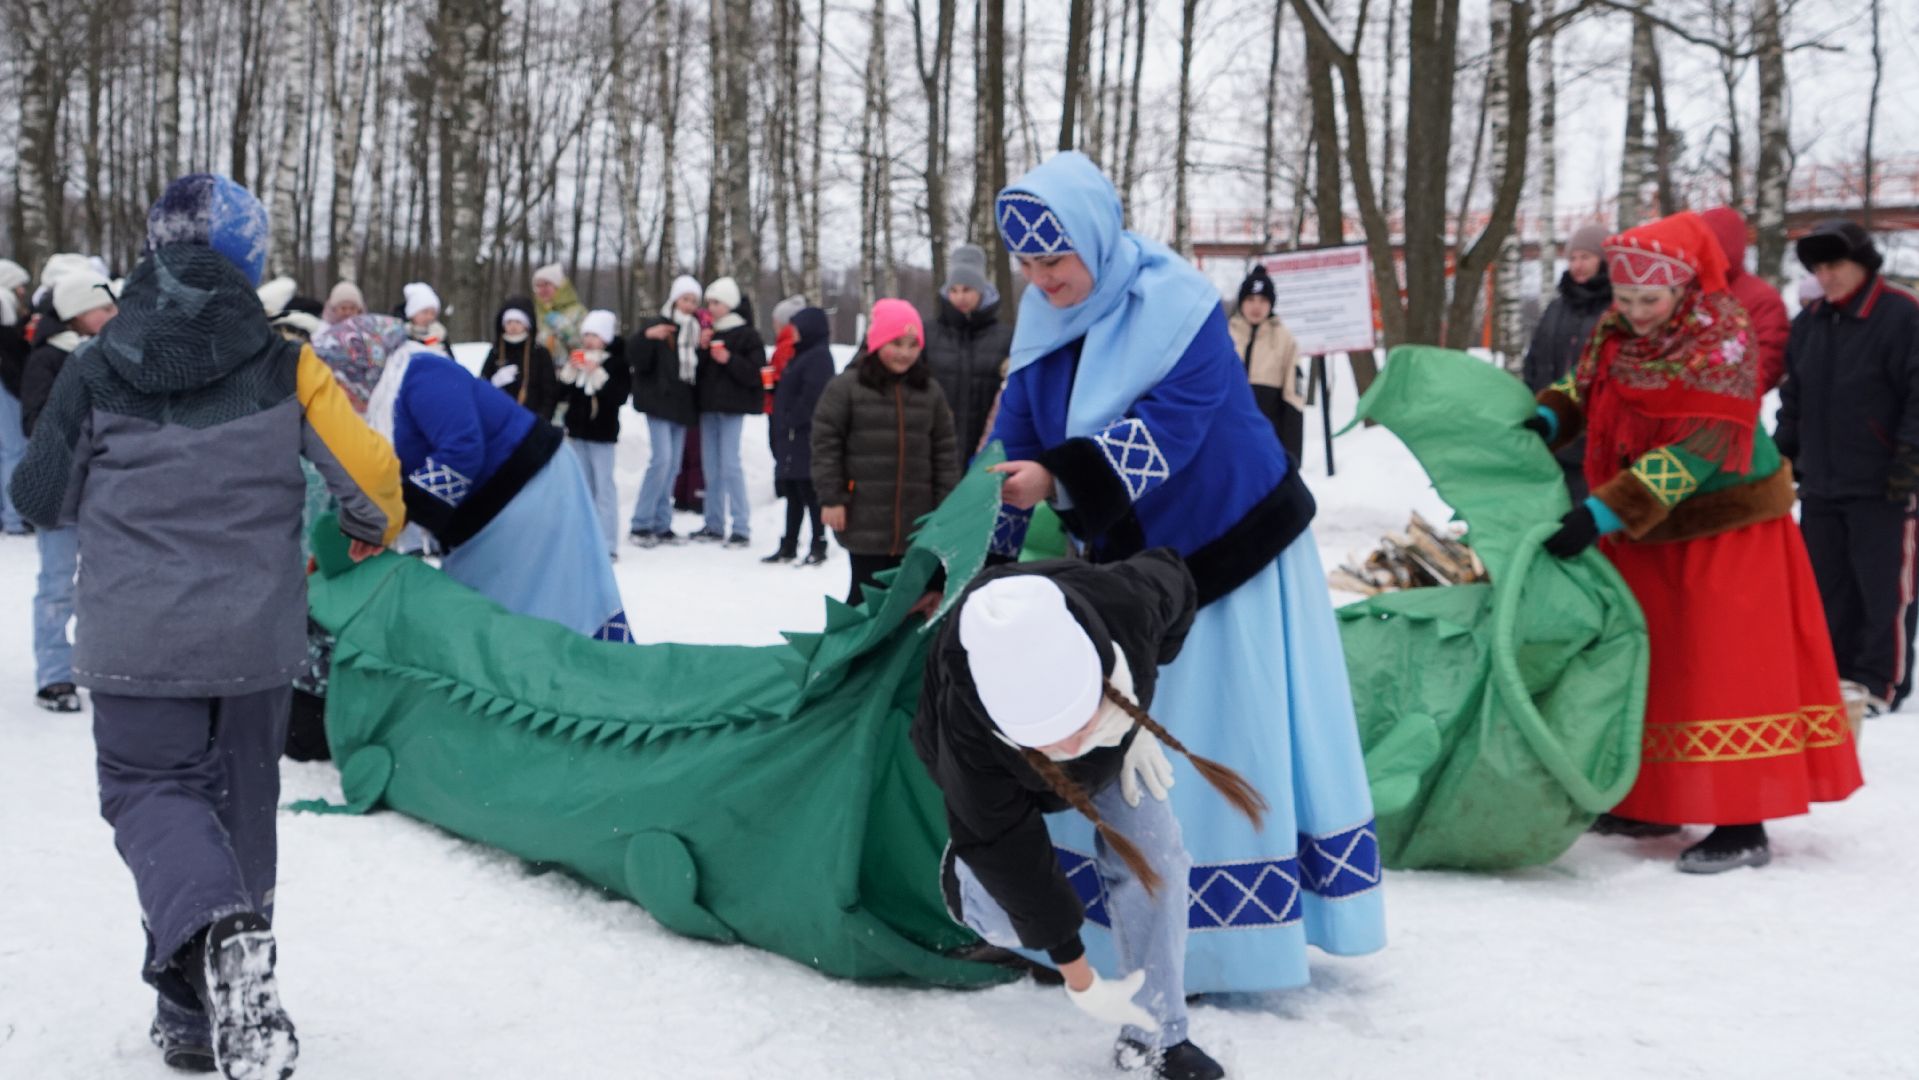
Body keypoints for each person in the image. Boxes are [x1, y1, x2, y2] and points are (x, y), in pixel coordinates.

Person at [10, 173, 407, 1078]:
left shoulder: (96, 365)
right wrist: (358, 531)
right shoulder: (286, 363)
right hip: (254, 642)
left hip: (136, 637)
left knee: (153, 798)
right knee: (238, 814)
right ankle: (202, 1015)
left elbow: (37, 496)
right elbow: (373, 483)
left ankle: (216, 949)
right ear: (250, 259)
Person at [982, 152, 1384, 993]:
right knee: (1123, 744)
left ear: (1094, 239)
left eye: (1054, 259)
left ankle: (1226, 944)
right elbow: (1015, 433)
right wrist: (990, 552)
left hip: (1232, 546)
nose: (1041, 278)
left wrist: (1058, 479)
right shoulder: (1041, 318)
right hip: (1133, 562)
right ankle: (1112, 925)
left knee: (1213, 736)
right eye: (1026, 262)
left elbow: (1175, 423)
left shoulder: (1177, 304)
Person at [1530, 211, 1863, 872]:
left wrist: (1600, 513)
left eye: (1648, 300)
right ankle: (1652, 797)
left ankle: (1742, 821)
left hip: (1723, 531)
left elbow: (1701, 448)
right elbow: (1588, 382)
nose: (1635, 313)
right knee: (1655, 664)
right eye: (1623, 300)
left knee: (1721, 668)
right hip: (1647, 531)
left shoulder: (1723, 340)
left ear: (1681, 289)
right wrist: (1549, 414)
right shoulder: (1616, 328)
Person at [915, 551, 1250, 1080]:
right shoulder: (967, 732)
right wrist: (1083, 980)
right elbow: (1010, 849)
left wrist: (1131, 718)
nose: (1070, 745)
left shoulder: (1129, 604)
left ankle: (1157, 1034)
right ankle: (967, 876)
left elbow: (1178, 580)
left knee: (1156, 855)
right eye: (1050, 738)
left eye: (1077, 722)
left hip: (1118, 737)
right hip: (996, 776)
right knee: (1006, 906)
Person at [312, 314, 634, 643]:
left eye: (336, 381)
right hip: (485, 515)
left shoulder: (420, 371)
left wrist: (401, 510)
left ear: (356, 365)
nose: (338, 394)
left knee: (548, 608)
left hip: (533, 491)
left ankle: (587, 674)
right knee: (487, 619)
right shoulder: (380, 403)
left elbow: (461, 447)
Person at [1775, 219, 1919, 716]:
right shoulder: (1811, 322)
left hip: (1885, 481)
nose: (1826, 275)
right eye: (1818, 266)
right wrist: (1784, 454)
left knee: (1883, 591)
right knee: (1826, 586)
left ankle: (1880, 681)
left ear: (1862, 264)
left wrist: (1909, 459)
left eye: (1835, 264)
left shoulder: (1902, 315)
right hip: (1822, 480)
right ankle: (1834, 678)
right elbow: (1794, 398)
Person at [19, 267, 120, 714]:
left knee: (107, 583)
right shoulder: (47, 359)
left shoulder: (119, 353)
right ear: (79, 313)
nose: (115, 314)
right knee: (58, 582)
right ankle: (55, 674)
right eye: (105, 308)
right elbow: (34, 420)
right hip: (59, 489)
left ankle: (106, 663)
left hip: (105, 490)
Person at [813, 299, 959, 604]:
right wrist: (832, 498)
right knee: (866, 599)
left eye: (912, 344)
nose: (905, 352)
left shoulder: (929, 391)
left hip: (916, 521)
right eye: (896, 343)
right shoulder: (847, 388)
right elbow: (826, 444)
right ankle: (852, 651)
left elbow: (945, 452)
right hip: (864, 517)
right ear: (877, 341)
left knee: (916, 599)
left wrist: (945, 508)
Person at [1521, 223, 1612, 502]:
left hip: (1594, 441)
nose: (1577, 265)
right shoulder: (1556, 308)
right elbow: (1534, 361)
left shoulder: (1616, 309)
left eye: (1586, 257)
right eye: (1572, 258)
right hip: (1551, 433)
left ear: (1604, 260)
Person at [628, 276, 703, 547]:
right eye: (685, 299)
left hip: (681, 406)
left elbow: (695, 370)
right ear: (675, 299)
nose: (689, 305)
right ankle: (641, 523)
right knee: (661, 460)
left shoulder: (695, 330)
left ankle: (661, 523)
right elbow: (635, 357)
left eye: (694, 301)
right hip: (658, 402)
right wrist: (647, 337)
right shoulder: (657, 325)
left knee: (672, 466)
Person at [924, 243, 1015, 464]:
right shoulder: (928, 333)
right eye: (953, 290)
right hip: (933, 452)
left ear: (981, 290)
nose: (960, 297)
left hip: (985, 451)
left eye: (967, 290)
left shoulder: (1006, 338)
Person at [692, 276, 763, 545]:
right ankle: (713, 522)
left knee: (730, 465)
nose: (710, 307)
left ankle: (741, 525)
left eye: (716, 302)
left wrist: (729, 359)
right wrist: (701, 349)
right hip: (708, 408)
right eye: (709, 302)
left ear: (729, 304)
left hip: (732, 409)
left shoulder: (747, 334)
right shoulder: (709, 332)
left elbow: (755, 374)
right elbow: (697, 374)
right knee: (711, 467)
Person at [763, 306, 833, 565]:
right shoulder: (801, 355)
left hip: (805, 436)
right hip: (791, 437)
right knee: (793, 491)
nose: (793, 334)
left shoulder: (819, 357)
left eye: (797, 329)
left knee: (809, 492)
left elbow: (814, 395)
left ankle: (819, 543)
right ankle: (789, 544)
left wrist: (792, 418)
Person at [560, 309, 631, 557]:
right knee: (583, 488)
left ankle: (608, 543)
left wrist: (597, 373)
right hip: (578, 433)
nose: (589, 340)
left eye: (595, 335)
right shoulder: (579, 360)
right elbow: (564, 394)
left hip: (602, 434)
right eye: (586, 334)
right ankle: (583, 539)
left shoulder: (616, 363)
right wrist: (570, 372)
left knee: (604, 488)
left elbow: (619, 396)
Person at [1701, 206, 1791, 395]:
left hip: (1731, 409)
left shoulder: (1761, 298)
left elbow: (1768, 361)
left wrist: (1717, 395)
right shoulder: (1689, 289)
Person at [1226, 265, 1306, 465]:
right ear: (1241, 302)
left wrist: (1292, 454)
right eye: (1250, 300)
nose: (1256, 307)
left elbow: (1293, 396)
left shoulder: (1284, 339)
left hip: (1268, 437)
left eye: (1263, 300)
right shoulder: (1225, 335)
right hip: (1227, 436)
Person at [479, 296, 560, 422]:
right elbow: (481, 386)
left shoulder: (540, 353)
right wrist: (494, 382)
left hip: (532, 421)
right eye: (509, 322)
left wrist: (542, 420)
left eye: (518, 322)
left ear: (527, 325)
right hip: (499, 420)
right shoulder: (495, 351)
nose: (513, 326)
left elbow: (549, 392)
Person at [0, 257, 33, 536]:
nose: (23, 291)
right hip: (5, 385)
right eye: (20, 285)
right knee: (14, 450)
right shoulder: (3, 301)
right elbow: (10, 349)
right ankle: (14, 516)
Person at [532, 263, 588, 372]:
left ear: (559, 286)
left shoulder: (578, 311)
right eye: (538, 286)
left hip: (569, 373)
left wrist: (564, 328)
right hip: (539, 373)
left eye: (547, 284)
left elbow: (585, 344)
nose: (542, 290)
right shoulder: (534, 313)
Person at [764, 293, 808, 416]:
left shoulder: (786, 346)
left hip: (780, 406)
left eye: (775, 321)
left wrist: (770, 384)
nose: (773, 325)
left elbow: (784, 374)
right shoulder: (787, 343)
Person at [401, 282, 448, 351]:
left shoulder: (440, 335)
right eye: (425, 312)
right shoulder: (402, 335)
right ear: (412, 314)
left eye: (433, 313)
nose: (429, 317)